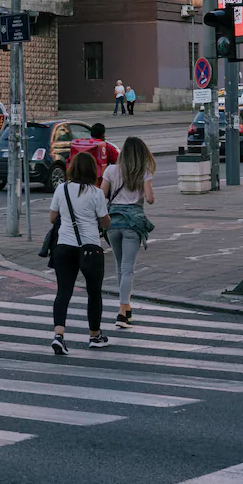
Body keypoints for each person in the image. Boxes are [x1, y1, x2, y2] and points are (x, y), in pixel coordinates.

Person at [48, 150, 110, 355]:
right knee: (94, 293)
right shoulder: (96, 193)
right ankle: (94, 335)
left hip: (64, 246)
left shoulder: (61, 190)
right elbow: (104, 222)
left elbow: (52, 218)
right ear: (93, 170)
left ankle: (59, 335)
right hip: (90, 247)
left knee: (63, 291)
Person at [102, 136, 156, 328]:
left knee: (120, 267)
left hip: (113, 223)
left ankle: (127, 309)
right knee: (128, 269)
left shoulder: (110, 170)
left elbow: (101, 197)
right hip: (132, 224)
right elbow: (149, 199)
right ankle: (121, 313)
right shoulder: (144, 172)